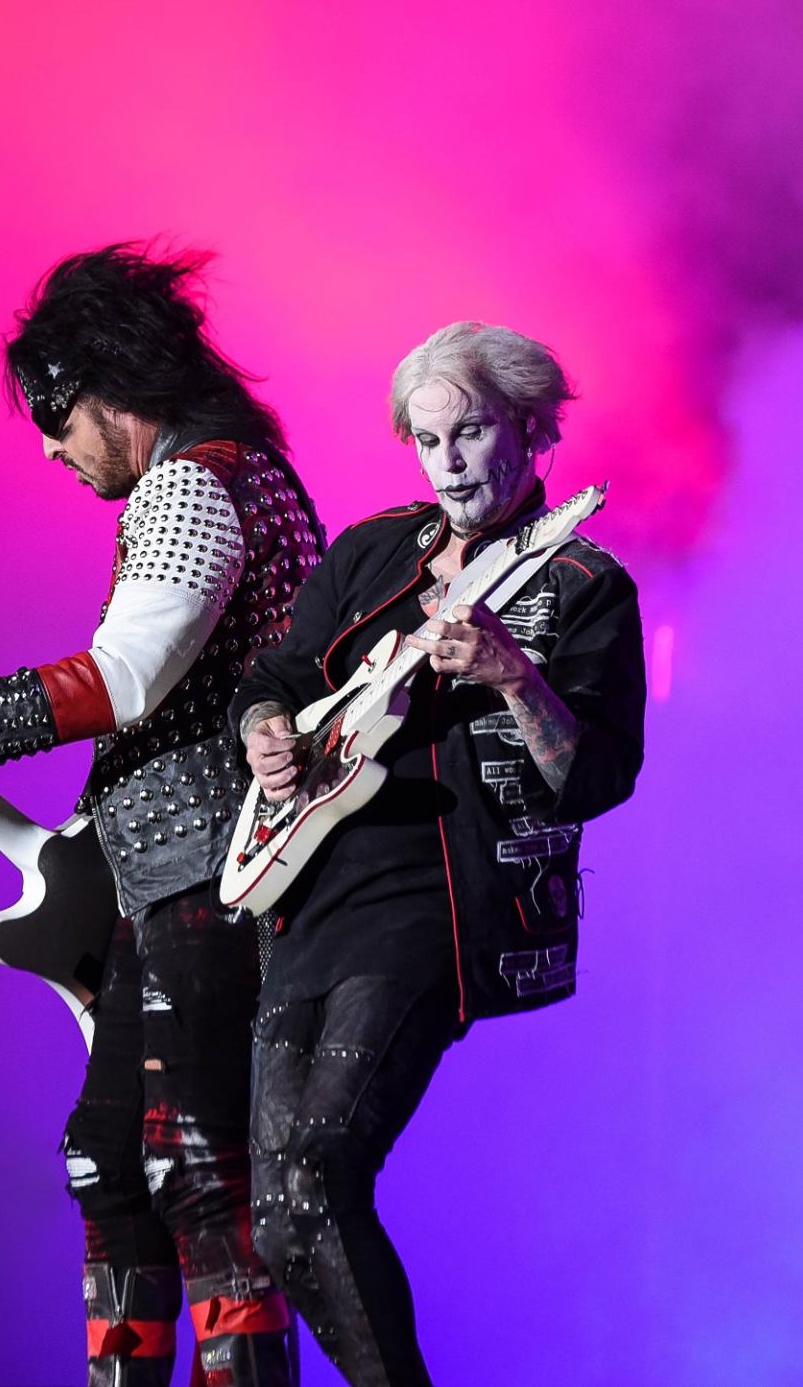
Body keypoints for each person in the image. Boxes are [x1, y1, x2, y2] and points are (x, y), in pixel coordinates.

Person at [0, 244, 321, 1387]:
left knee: (196, 1165)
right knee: (109, 1159)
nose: (49, 444)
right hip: (177, 875)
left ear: (114, 386)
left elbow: (129, 676)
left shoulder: (196, 480)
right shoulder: (234, 473)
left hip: (215, 873)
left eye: (55, 413)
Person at [229, 321, 646, 1385]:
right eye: (427, 440)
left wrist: (515, 674)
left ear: (531, 429)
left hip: (442, 899)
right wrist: (265, 731)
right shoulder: (373, 551)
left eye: (471, 432)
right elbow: (273, 675)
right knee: (276, 1212)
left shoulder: (584, 580)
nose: (449, 462)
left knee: (320, 1165)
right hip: (316, 889)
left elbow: (598, 774)